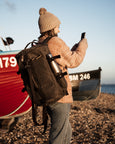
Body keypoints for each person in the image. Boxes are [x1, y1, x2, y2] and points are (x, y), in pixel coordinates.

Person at [38, 8, 88, 144]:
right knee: (59, 136)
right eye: (57, 27)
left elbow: (59, 60)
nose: (59, 30)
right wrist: (83, 46)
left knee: (66, 131)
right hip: (60, 96)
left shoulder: (40, 44)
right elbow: (74, 61)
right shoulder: (54, 41)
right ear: (51, 27)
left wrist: (73, 49)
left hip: (47, 95)